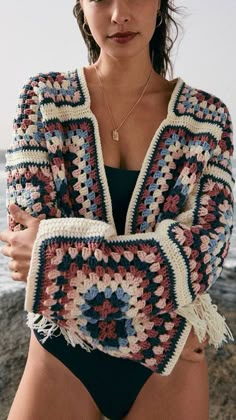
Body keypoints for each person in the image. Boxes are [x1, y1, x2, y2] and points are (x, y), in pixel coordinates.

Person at [0, 1, 234, 419]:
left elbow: (203, 254)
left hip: (165, 377)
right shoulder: (41, 100)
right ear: (81, 6)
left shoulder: (207, 120)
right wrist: (158, 325)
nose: (119, 14)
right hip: (74, 352)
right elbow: (23, 244)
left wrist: (55, 255)